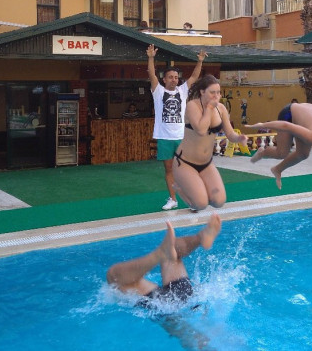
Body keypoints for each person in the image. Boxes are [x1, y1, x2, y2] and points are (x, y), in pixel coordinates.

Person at [106, 214, 222, 306]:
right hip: (187, 308)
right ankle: (199, 238)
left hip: (177, 314)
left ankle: (196, 239)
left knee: (115, 277)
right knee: (172, 253)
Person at [173, 74, 248, 211]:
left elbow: (230, 134)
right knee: (200, 204)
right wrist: (208, 109)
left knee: (219, 201)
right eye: (212, 92)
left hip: (206, 163)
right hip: (184, 163)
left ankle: (195, 188)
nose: (216, 96)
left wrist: (239, 138)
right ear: (202, 92)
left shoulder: (221, 109)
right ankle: (179, 188)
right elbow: (201, 130)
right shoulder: (192, 106)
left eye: (218, 92)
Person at [148, 44, 207, 210]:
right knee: (169, 170)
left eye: (176, 77)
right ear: (164, 79)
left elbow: (194, 76)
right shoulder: (158, 91)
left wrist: (200, 61)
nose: (174, 79)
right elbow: (151, 74)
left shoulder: (182, 90)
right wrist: (151, 58)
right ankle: (173, 200)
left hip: (181, 137)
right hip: (164, 138)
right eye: (170, 77)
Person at [246, 102, 312, 190]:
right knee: (281, 153)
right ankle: (262, 153)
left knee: (303, 154)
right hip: (289, 113)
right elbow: (286, 126)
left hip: (306, 110)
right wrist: (262, 125)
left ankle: (277, 170)